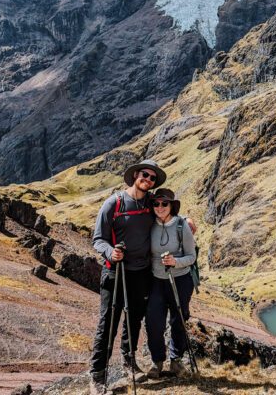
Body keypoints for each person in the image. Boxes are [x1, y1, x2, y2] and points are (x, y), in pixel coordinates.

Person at [88, 159, 166, 394]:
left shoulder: (152, 204)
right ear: (135, 175)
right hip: (115, 271)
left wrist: (187, 223)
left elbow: (169, 213)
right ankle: (97, 375)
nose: (148, 180)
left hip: (141, 273)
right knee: (108, 323)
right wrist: (111, 251)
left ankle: (127, 362)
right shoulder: (114, 203)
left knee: (134, 320)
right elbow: (98, 239)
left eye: (152, 178)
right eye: (145, 175)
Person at [145, 187, 198, 380]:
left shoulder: (181, 225)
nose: (160, 207)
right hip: (156, 280)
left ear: (171, 206)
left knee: (179, 319)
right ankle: (157, 361)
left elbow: (192, 256)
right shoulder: (150, 223)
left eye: (164, 204)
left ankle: (176, 360)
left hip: (181, 279)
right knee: (153, 322)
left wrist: (176, 262)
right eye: (156, 204)